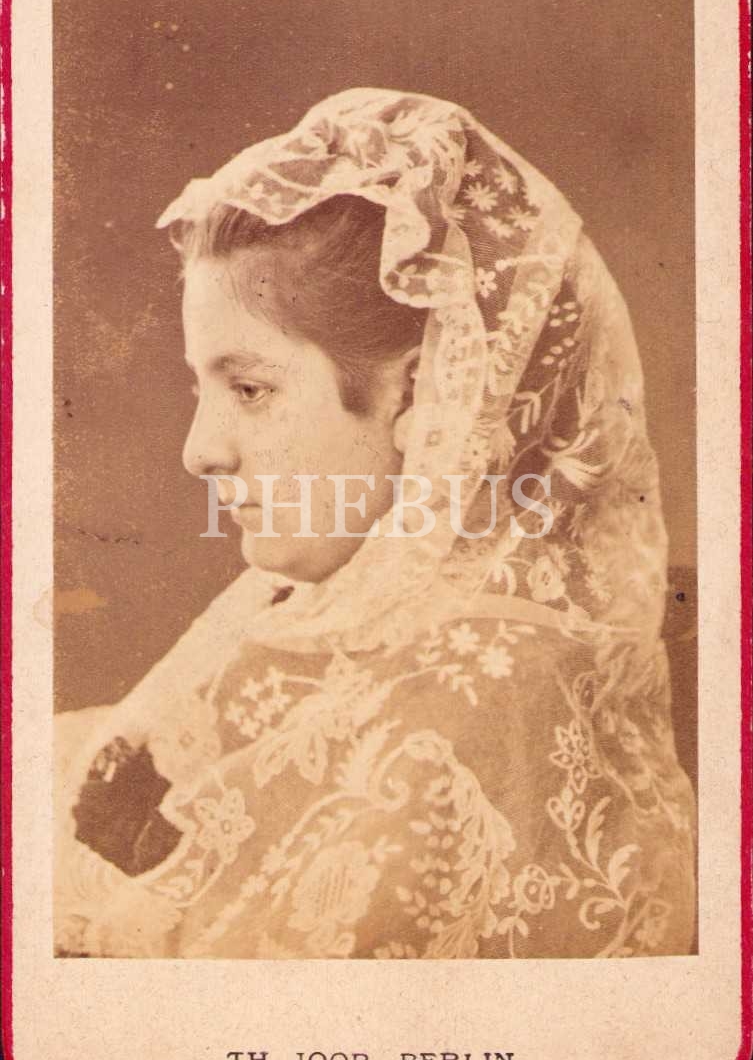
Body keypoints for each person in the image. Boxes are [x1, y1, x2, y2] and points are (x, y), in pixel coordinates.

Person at [54, 88, 696, 959]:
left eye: (250, 388)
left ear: (420, 392)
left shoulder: (483, 698)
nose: (199, 451)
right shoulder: (316, 614)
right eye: (202, 389)